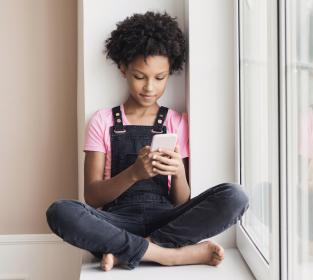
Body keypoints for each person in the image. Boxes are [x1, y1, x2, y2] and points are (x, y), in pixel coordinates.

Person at [45, 11, 249, 272]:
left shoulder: (176, 121)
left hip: (166, 222)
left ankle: (130, 252)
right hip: (116, 223)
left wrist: (177, 173)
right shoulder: (102, 120)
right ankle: (170, 256)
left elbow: (181, 201)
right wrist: (134, 174)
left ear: (169, 72)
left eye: (159, 78)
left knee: (235, 196)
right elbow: (93, 197)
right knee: (60, 211)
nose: (149, 87)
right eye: (140, 76)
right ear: (123, 69)